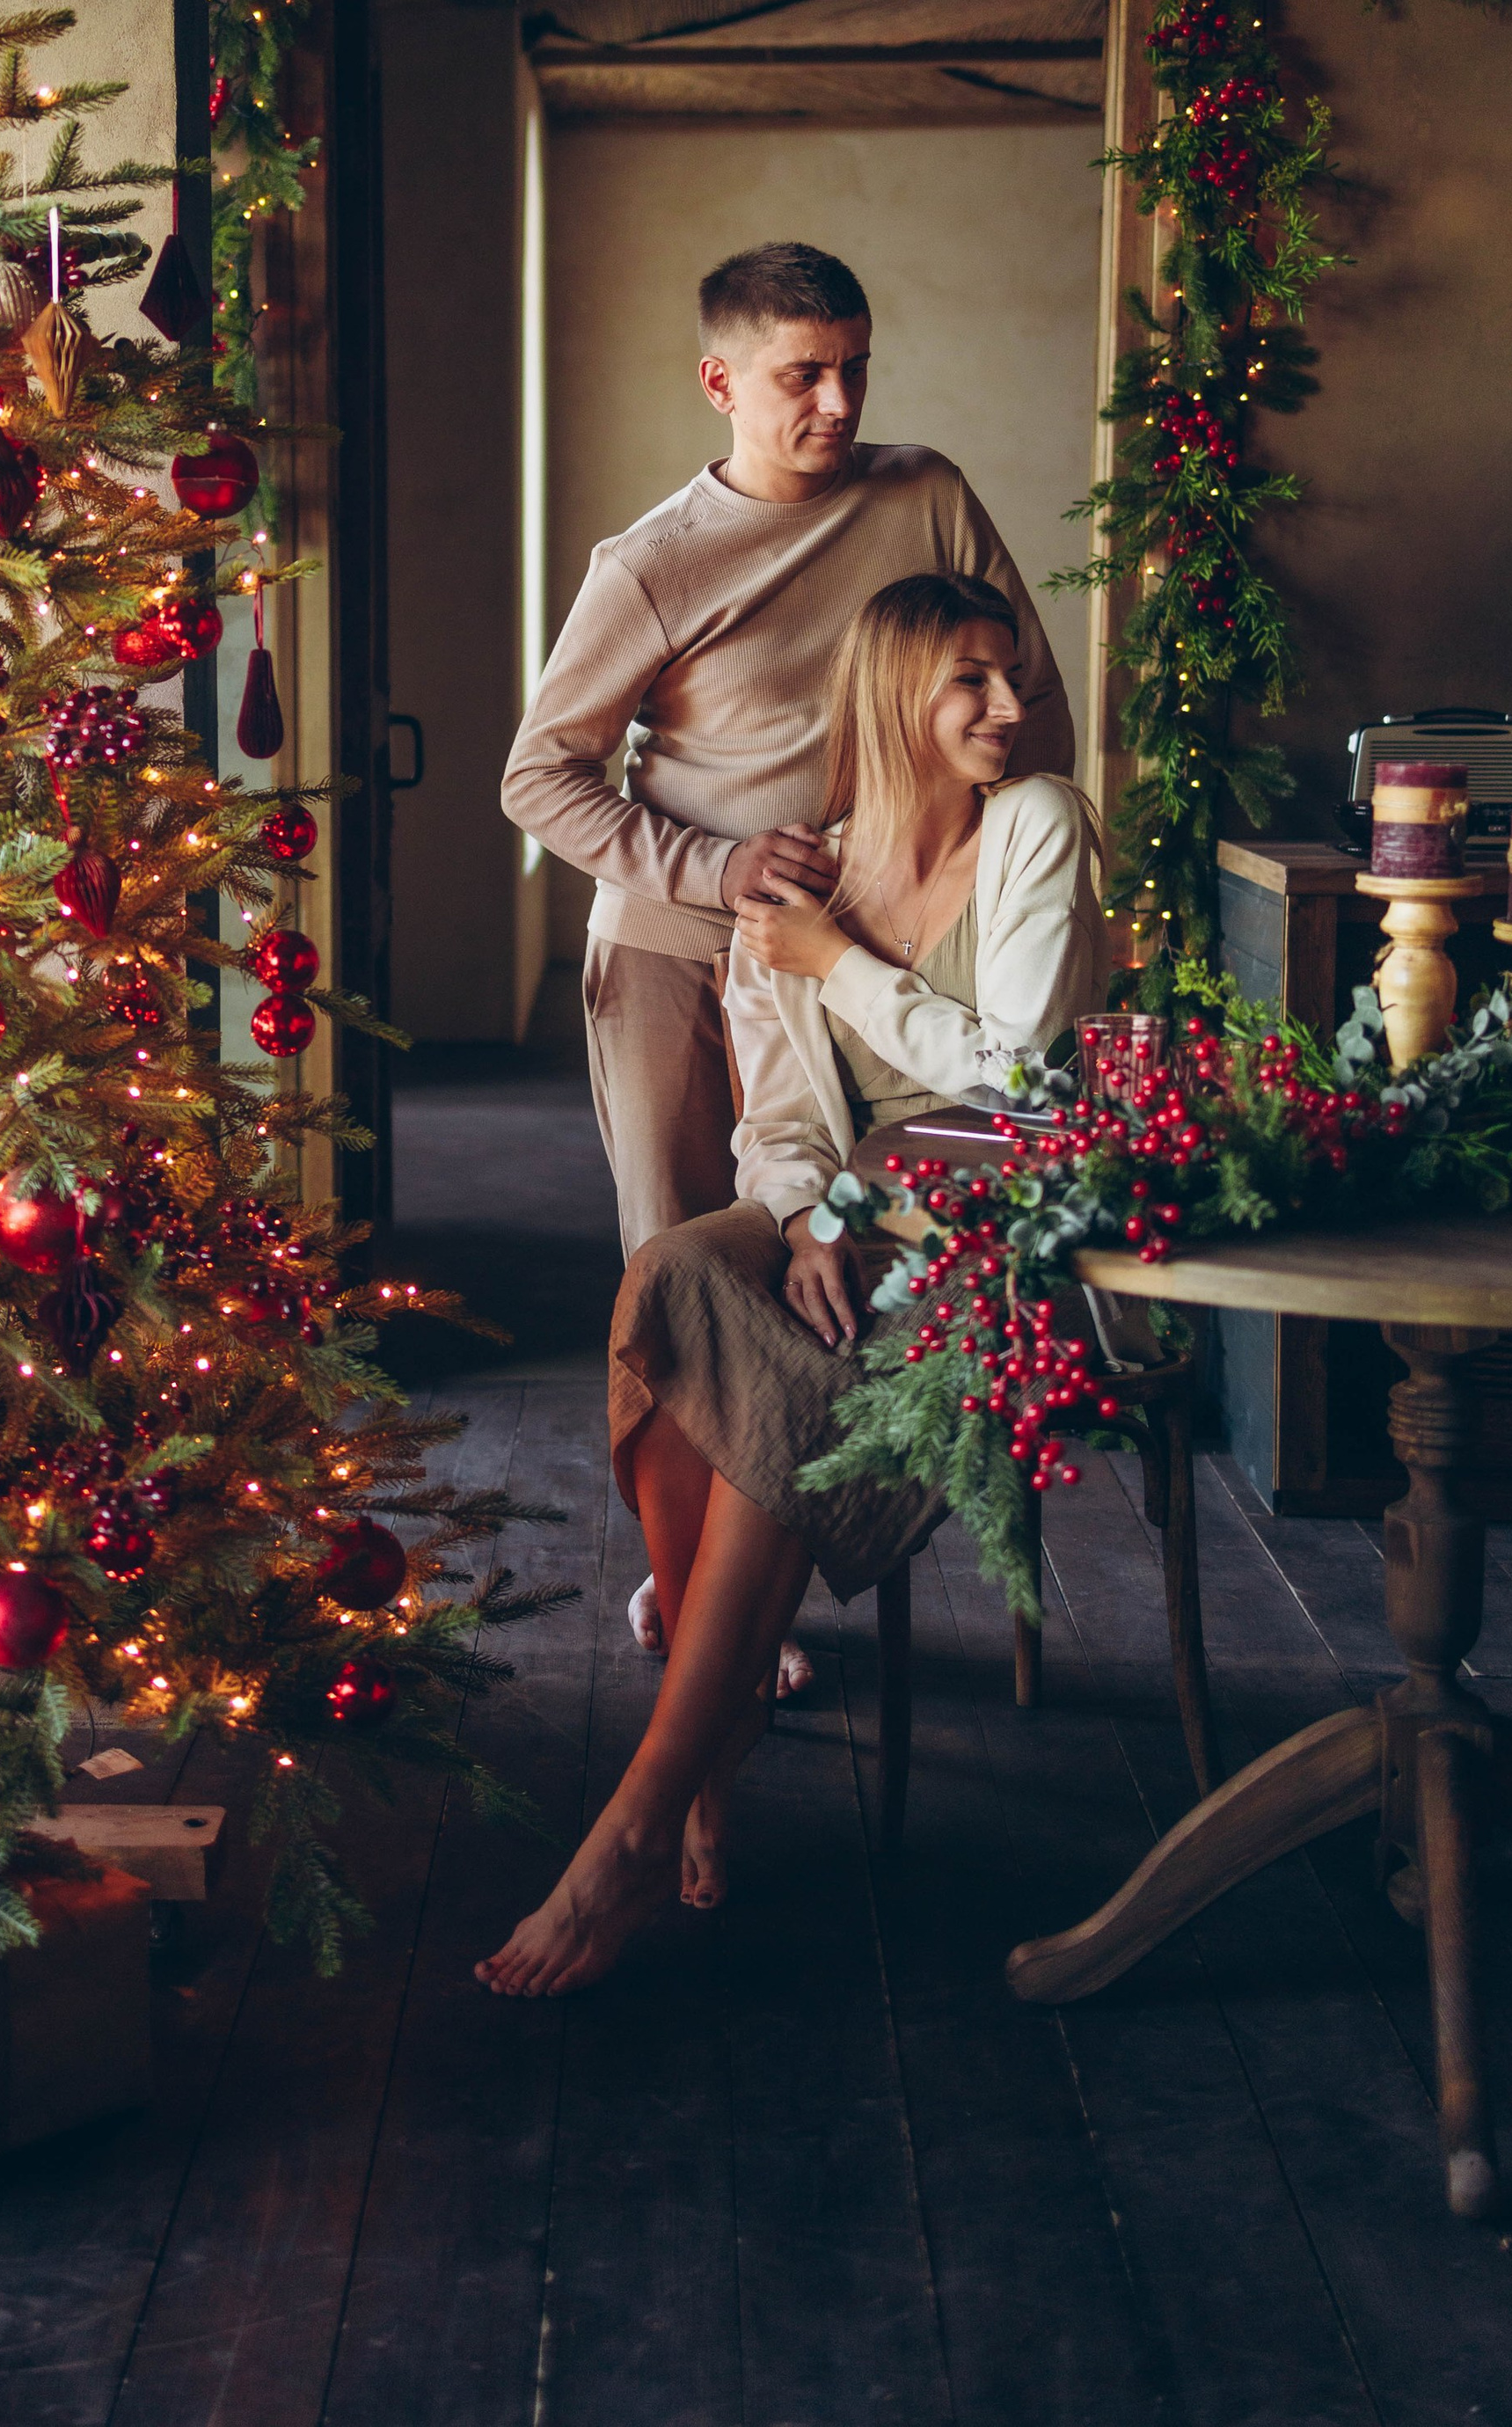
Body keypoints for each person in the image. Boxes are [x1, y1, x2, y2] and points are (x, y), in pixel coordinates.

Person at [478, 573, 1101, 1998]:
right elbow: (781, 1122)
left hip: (984, 1227)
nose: (1011, 709)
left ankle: (656, 1803)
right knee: (678, 1277)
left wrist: (844, 970)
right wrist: (811, 1213)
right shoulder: (799, 874)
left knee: (781, 1364)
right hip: (850, 1205)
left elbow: (1028, 1080)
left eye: (1009, 680)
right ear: (893, 697)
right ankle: (711, 1746)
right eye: (972, 684)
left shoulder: (1037, 828)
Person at [500, 240, 1074, 1690]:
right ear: (719, 383)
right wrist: (719, 868)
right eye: (800, 375)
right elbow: (540, 781)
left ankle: (766, 1577)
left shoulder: (924, 493)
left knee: (823, 1271)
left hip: (871, 946)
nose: (837, 400)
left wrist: (982, 865)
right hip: (681, 952)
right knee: (683, 1266)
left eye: (854, 366)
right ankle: (685, 1596)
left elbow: (1028, 696)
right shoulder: (650, 563)